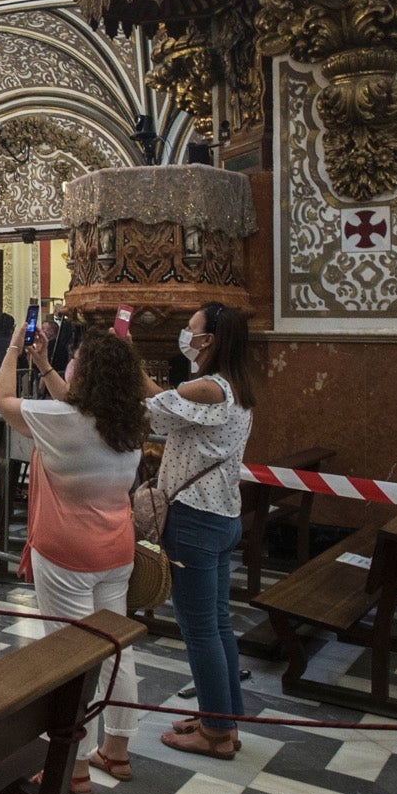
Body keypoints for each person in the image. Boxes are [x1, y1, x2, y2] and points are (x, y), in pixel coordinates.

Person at [0, 327, 149, 794]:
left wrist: (16, 347)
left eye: (76, 358)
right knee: (114, 647)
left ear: (89, 373)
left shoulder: (61, 421)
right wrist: (45, 367)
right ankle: (116, 748)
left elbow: (2, 399)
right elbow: (74, 407)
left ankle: (74, 766)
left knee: (69, 657)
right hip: (115, 550)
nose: (72, 363)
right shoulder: (126, 421)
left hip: (66, 555)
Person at [139, 302, 255, 760]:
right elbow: (167, 410)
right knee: (218, 623)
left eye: (191, 331)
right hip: (222, 515)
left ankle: (215, 731)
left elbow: (154, 405)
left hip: (195, 518)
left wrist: (124, 364)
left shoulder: (207, 387)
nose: (186, 337)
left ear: (209, 340)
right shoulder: (236, 385)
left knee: (200, 627)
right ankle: (225, 716)